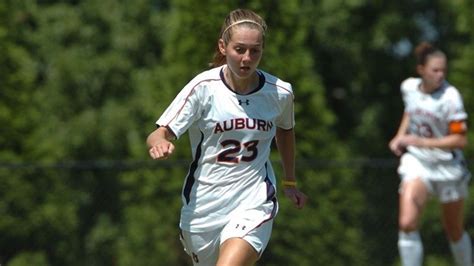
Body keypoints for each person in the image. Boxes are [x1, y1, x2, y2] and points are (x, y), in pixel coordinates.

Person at [146, 8, 307, 266]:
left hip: (253, 201)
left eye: (255, 51)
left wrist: (289, 182)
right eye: (239, 49)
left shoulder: (280, 93)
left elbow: (286, 130)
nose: (247, 58)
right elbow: (159, 133)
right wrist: (160, 143)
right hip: (203, 210)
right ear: (223, 46)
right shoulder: (203, 88)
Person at [389, 42, 472, 266]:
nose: (440, 75)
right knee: (407, 223)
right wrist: (400, 136)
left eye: (443, 70)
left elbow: (460, 139)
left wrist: (420, 141)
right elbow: (410, 110)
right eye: (435, 70)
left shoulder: (450, 97)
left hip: (448, 167)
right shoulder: (408, 87)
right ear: (421, 71)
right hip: (418, 162)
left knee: (453, 230)